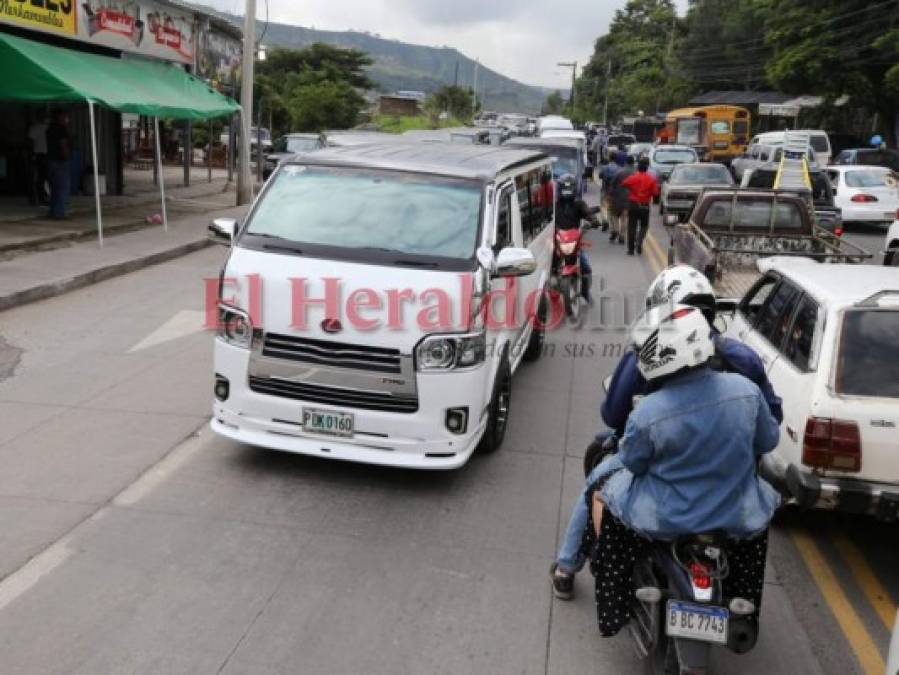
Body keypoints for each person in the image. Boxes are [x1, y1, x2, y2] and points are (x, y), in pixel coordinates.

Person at [549, 264, 782, 599]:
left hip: (668, 499)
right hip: (734, 488)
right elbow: (769, 428)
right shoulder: (744, 369)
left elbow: (618, 425)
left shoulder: (651, 372)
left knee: (598, 483)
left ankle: (566, 567)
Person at [585, 304, 780, 637]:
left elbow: (632, 462)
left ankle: (616, 607)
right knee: (756, 541)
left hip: (666, 520)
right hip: (735, 515)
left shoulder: (649, 413)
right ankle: (743, 608)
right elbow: (768, 439)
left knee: (602, 493)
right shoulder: (746, 392)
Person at [555, 174, 601, 303]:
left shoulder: (579, 204)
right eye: (564, 189)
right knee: (547, 266)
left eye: (569, 189)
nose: (567, 192)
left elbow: (586, 212)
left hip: (574, 241)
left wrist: (594, 220)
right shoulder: (555, 206)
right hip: (557, 241)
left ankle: (585, 293)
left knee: (585, 267)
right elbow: (545, 217)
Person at [620, 157, 658, 255]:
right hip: (644, 205)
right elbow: (655, 193)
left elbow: (623, 184)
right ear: (647, 168)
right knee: (644, 226)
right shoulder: (651, 179)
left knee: (632, 226)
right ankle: (639, 242)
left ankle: (631, 249)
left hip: (633, 204)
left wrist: (632, 189)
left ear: (638, 167)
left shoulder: (633, 177)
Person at [46, 108, 71, 220]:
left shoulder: (49, 128)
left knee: (54, 188)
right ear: (60, 117)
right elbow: (63, 144)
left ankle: (53, 211)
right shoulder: (61, 129)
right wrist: (66, 157)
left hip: (50, 159)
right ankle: (59, 212)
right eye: (65, 116)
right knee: (62, 187)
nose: (67, 118)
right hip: (59, 161)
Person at [608, 155, 634, 245]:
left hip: (617, 197)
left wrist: (611, 194)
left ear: (626, 162)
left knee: (613, 215)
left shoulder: (619, 172)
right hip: (629, 199)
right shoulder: (636, 173)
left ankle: (615, 229)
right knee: (625, 218)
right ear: (633, 162)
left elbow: (612, 184)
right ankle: (622, 236)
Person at [27, 110, 49, 206]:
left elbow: (30, 141)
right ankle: (40, 198)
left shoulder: (46, 127)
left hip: (44, 154)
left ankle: (42, 197)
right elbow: (30, 142)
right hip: (39, 154)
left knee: (42, 177)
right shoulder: (36, 128)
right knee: (40, 178)